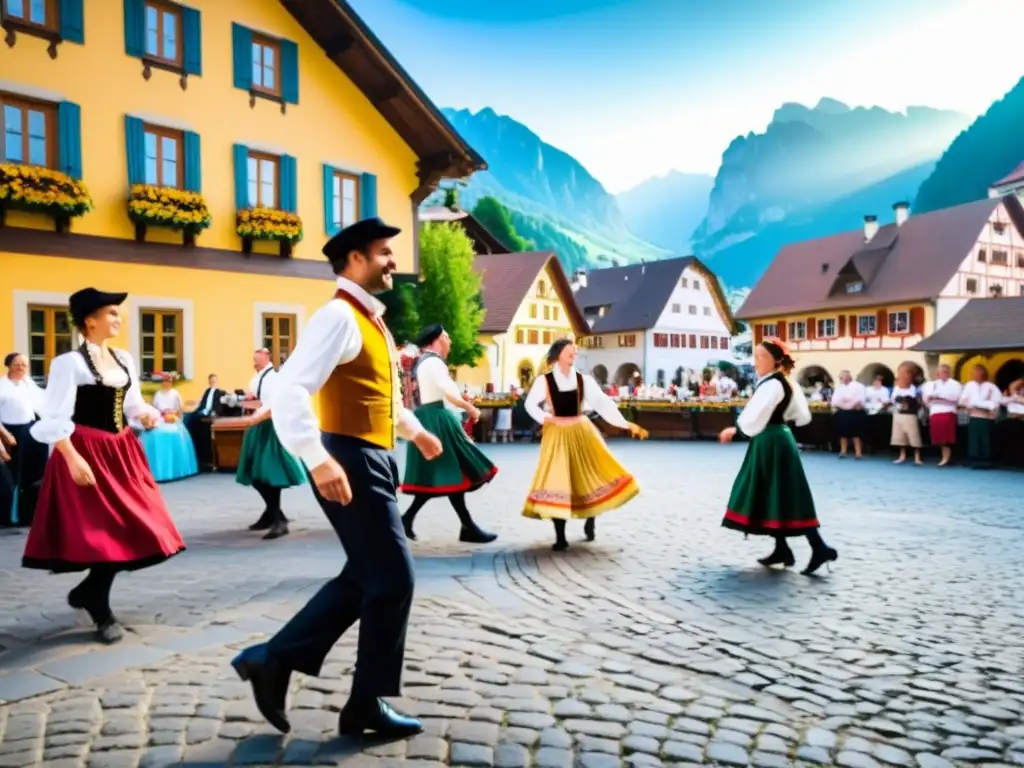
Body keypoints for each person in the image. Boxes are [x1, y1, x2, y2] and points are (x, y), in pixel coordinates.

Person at [230, 218, 443, 738]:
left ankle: (274, 660)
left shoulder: (371, 320)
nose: (393, 261)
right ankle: (358, 702)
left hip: (371, 455)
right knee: (394, 578)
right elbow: (289, 389)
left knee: (367, 576)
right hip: (348, 457)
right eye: (384, 252)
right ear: (354, 259)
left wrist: (414, 433)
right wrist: (316, 456)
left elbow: (382, 398)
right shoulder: (338, 316)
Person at [22, 288, 185, 643]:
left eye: (118, 312)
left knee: (142, 524)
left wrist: (147, 415)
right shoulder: (69, 363)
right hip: (86, 451)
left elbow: (131, 405)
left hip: (122, 450)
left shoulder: (124, 358)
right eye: (111, 312)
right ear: (88, 320)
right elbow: (54, 415)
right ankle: (99, 605)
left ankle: (89, 591)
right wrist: (72, 457)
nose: (118, 318)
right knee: (104, 532)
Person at [718, 338, 837, 576]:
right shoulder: (781, 381)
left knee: (785, 494)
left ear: (774, 360)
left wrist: (737, 430)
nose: (755, 363)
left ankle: (819, 547)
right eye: (756, 357)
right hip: (775, 438)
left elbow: (757, 414)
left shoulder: (773, 384)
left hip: (771, 439)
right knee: (775, 494)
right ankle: (782, 548)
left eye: (760, 357)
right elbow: (801, 416)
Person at [522, 338, 647, 551]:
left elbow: (603, 403)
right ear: (558, 354)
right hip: (558, 434)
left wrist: (625, 424)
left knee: (589, 477)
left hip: (582, 430)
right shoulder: (544, 381)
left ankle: (591, 519)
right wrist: (545, 418)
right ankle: (560, 536)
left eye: (575, 350)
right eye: (569, 349)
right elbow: (529, 404)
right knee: (557, 480)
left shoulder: (584, 380)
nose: (574, 352)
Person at [400, 324, 497, 543]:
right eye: (446, 336)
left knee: (450, 473)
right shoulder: (433, 362)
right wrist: (469, 407)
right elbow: (447, 389)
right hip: (436, 419)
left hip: (431, 417)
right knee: (449, 472)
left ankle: (410, 520)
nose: (450, 340)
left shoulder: (426, 361)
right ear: (436, 340)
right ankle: (466, 527)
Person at [235, 348, 306, 539]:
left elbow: (276, 405)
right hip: (259, 427)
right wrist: (248, 401)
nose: (254, 363)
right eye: (253, 360)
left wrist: (258, 416)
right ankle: (272, 514)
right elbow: (259, 400)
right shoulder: (257, 377)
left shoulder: (274, 379)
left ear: (266, 358)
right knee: (255, 474)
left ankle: (278, 519)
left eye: (257, 360)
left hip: (271, 428)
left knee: (267, 474)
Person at [0, 352, 46, 526]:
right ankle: (7, 517)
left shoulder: (28, 383)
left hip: (29, 429)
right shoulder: (2, 385)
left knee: (32, 474)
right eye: (17, 365)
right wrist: (4, 434)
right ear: (9, 365)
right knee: (10, 475)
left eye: (24, 365)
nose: (21, 368)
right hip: (8, 432)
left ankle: (29, 516)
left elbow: (42, 404)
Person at [138, 375, 199, 483]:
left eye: (168, 381)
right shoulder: (158, 394)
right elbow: (154, 409)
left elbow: (180, 409)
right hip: (160, 418)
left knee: (173, 432)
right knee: (152, 434)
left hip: (172, 418)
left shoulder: (175, 393)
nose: (166, 383)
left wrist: (173, 415)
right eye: (164, 381)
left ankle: (177, 469)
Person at [958, 365, 1001, 469]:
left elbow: (997, 401)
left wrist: (988, 406)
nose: (975, 376)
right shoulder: (969, 385)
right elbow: (962, 401)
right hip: (974, 416)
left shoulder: (991, 386)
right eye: (974, 374)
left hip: (987, 417)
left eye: (978, 373)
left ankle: (986, 460)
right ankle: (974, 460)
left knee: (985, 439)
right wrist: (968, 405)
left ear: (983, 375)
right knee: (974, 439)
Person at [922, 364, 962, 467]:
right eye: (941, 372)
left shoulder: (955, 384)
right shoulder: (931, 384)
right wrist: (934, 398)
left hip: (948, 411)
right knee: (938, 437)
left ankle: (946, 458)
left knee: (947, 437)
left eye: (945, 371)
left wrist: (940, 397)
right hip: (935, 412)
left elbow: (956, 398)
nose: (943, 373)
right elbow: (926, 399)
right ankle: (944, 457)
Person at [890, 364, 924, 465]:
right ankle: (902, 455)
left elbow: (917, 400)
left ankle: (917, 457)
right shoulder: (896, 388)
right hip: (898, 414)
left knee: (914, 436)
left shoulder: (914, 388)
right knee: (900, 437)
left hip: (910, 414)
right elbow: (892, 400)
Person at [830, 370, 866, 458]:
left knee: (856, 434)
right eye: (841, 378)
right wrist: (843, 402)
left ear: (849, 377)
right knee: (843, 434)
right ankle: (843, 452)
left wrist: (850, 402)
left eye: (843, 377)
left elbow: (860, 399)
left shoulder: (858, 386)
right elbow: (835, 400)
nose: (842, 379)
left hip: (855, 412)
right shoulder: (839, 388)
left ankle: (858, 453)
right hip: (843, 412)